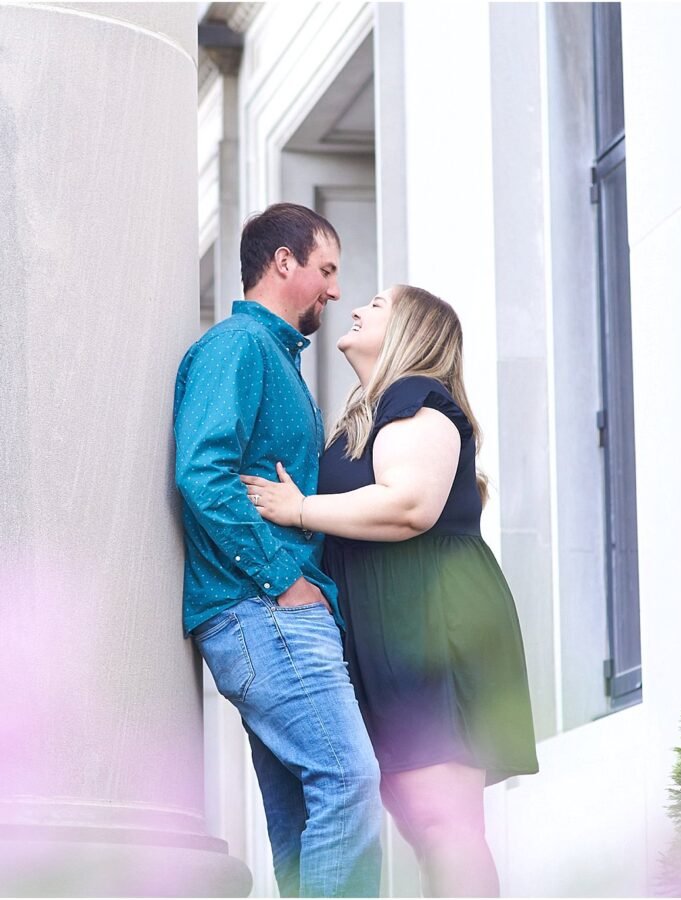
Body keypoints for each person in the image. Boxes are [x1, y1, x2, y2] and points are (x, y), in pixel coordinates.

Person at [242, 283, 540, 898]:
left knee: (442, 823)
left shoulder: (417, 399)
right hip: (393, 623)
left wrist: (300, 509)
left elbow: (409, 506)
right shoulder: (375, 414)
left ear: (411, 332)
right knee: (424, 823)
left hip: (429, 621)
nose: (356, 308)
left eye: (377, 306)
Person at [173, 203, 383, 898]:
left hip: (265, 614)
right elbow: (202, 471)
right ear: (283, 262)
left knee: (301, 819)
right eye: (327, 269)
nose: (335, 290)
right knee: (350, 782)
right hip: (264, 612)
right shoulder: (239, 346)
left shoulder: (272, 356)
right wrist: (281, 580)